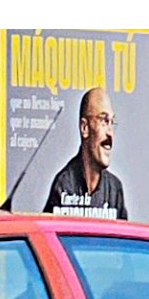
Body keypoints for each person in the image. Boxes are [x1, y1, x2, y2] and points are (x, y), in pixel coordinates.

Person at [42, 86, 128, 220]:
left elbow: (123, 239)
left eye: (112, 122)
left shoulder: (114, 189)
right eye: (104, 121)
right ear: (85, 128)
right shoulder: (64, 185)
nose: (110, 133)